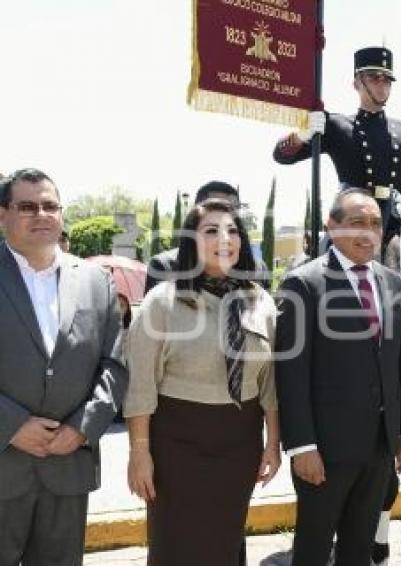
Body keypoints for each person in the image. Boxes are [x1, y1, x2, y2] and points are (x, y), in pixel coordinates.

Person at [124, 199, 280, 564]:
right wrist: (139, 452)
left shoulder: (261, 302)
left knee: (225, 544)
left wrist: (272, 444)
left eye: (232, 231)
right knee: (175, 545)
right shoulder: (161, 303)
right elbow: (140, 385)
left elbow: (271, 384)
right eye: (211, 230)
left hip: (239, 445)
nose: (224, 239)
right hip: (175, 447)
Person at [275, 188, 401, 566]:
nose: (368, 232)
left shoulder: (392, 283)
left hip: (379, 447)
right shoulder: (303, 284)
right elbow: (291, 374)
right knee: (313, 548)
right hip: (325, 451)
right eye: (357, 222)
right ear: (332, 226)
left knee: (359, 549)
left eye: (376, 223)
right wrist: (301, 445)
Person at [0, 168, 128, 564]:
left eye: (50, 206)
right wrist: (11, 425)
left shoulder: (96, 281)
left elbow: (116, 364)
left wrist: (82, 427)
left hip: (68, 468)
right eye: (27, 206)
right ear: (2, 215)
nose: (41, 214)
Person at [273, 46, 401, 249]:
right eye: (374, 78)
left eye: (387, 80)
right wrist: (302, 135)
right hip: (350, 222)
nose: (382, 84)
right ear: (357, 83)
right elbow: (281, 155)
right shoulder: (336, 126)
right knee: (322, 267)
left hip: (395, 225)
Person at [144, 180, 270, 293]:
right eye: (215, 206)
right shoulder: (164, 267)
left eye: (232, 209)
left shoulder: (258, 269)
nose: (224, 212)